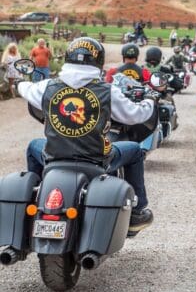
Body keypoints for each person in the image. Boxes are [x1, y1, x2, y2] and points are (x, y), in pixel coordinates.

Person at [17, 37, 156, 235]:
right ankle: (136, 212)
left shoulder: (47, 87)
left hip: (54, 157)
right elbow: (136, 115)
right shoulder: (107, 91)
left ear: (68, 58)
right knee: (134, 150)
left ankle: (37, 197)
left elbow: (24, 89)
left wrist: (22, 82)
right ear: (98, 62)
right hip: (96, 159)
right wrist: (149, 100)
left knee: (34, 146)